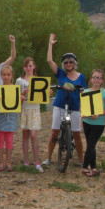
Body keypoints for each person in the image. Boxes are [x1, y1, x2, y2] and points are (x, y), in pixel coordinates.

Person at [45, 33, 86, 166]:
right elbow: (50, 61)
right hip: (60, 105)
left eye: (71, 62)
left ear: (75, 63)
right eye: (66, 62)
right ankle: (49, 158)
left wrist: (83, 109)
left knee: (77, 134)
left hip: (75, 106)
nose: (68, 64)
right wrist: (50, 45)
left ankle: (81, 160)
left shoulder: (81, 77)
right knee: (54, 133)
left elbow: (84, 93)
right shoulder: (61, 73)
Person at [80, 69, 105, 177]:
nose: (96, 80)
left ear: (102, 80)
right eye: (94, 77)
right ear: (91, 79)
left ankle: (85, 167)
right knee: (90, 145)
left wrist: (99, 113)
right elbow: (82, 108)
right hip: (87, 122)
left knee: (91, 144)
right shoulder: (85, 92)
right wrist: (83, 113)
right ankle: (94, 167)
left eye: (98, 77)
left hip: (99, 123)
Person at [17, 56, 44, 172]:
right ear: (24, 67)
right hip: (24, 109)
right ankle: (26, 160)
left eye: (30, 66)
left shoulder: (39, 80)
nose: (28, 68)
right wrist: (22, 94)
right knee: (25, 134)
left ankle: (37, 161)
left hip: (35, 109)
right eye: (26, 66)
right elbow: (16, 96)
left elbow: (43, 97)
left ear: (34, 67)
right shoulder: (19, 81)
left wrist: (48, 92)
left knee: (34, 134)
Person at [0, 64, 20, 172]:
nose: (6, 77)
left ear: (12, 76)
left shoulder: (16, 89)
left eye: (8, 75)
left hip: (12, 117)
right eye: (4, 74)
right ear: (1, 75)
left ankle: (8, 162)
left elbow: (19, 104)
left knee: (9, 140)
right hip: (1, 117)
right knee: (0, 140)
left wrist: (21, 98)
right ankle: (0, 162)